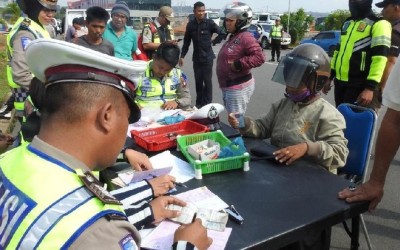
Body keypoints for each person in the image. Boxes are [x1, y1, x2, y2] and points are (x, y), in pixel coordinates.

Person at [0, 38, 212, 249]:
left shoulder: (8, 159)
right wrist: (188, 246)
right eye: (128, 118)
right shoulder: (103, 235)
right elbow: (89, 224)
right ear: (107, 115)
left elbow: (77, 206)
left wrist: (147, 202)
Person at [229, 43, 348, 250]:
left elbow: (339, 153)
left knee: (293, 237)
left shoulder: (327, 114)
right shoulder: (283, 105)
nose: (290, 87)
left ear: (317, 82)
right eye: (289, 80)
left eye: (297, 82)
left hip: (310, 187)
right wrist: (244, 123)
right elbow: (262, 128)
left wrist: (307, 148)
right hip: (279, 177)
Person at [338, 57, 400, 211]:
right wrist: (376, 181)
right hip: (347, 84)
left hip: (363, 88)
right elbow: (395, 120)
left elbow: (387, 59)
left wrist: (372, 88)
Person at [330, 0, 391, 111]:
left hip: (360, 86)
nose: (352, 2)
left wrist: (370, 88)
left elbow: (380, 58)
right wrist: (330, 76)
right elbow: (337, 52)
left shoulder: (379, 24)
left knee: (354, 125)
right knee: (339, 122)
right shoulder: (347, 23)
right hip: (340, 84)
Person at [6, 0, 57, 120]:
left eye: (53, 10)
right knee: (28, 137)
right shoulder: (25, 33)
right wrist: (49, 89)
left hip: (36, 94)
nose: (51, 15)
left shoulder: (40, 27)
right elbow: (21, 74)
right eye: (46, 10)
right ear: (33, 8)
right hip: (28, 97)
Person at [216, 2, 265, 119]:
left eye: (230, 20)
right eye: (226, 20)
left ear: (241, 21)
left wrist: (239, 64)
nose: (227, 23)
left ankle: (239, 137)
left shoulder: (245, 37)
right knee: (233, 118)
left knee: (236, 120)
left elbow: (260, 57)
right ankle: (237, 135)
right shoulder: (234, 36)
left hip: (237, 87)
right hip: (229, 86)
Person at [179, 1, 226, 108]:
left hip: (208, 58)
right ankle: (199, 104)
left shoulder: (209, 23)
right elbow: (186, 42)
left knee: (207, 83)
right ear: (194, 12)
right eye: (199, 11)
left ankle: (207, 105)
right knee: (198, 83)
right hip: (197, 59)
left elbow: (222, 33)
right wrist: (182, 56)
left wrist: (214, 42)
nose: (201, 13)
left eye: (203, 11)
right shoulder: (190, 25)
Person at [135, 42, 192, 110]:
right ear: (154, 57)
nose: (162, 72)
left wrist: (176, 102)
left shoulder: (177, 74)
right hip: (145, 115)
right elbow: (126, 98)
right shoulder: (139, 72)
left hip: (171, 115)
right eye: (160, 67)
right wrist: (135, 107)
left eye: (167, 70)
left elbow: (187, 98)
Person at [375, 0, 400, 91]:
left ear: (396, 7)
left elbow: (391, 61)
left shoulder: (395, 30)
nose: (382, 11)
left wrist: (382, 87)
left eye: (385, 7)